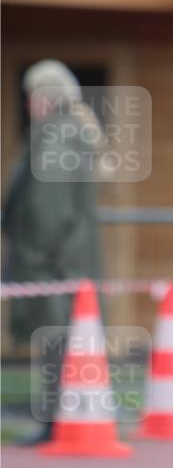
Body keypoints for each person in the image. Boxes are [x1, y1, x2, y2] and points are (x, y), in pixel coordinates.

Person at [2, 60, 105, 444]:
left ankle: (55, 422)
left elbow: (49, 210)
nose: (29, 103)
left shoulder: (57, 137)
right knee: (61, 340)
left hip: (52, 264)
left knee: (56, 340)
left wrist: (38, 259)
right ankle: (59, 420)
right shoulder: (65, 133)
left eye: (32, 95)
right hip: (63, 260)